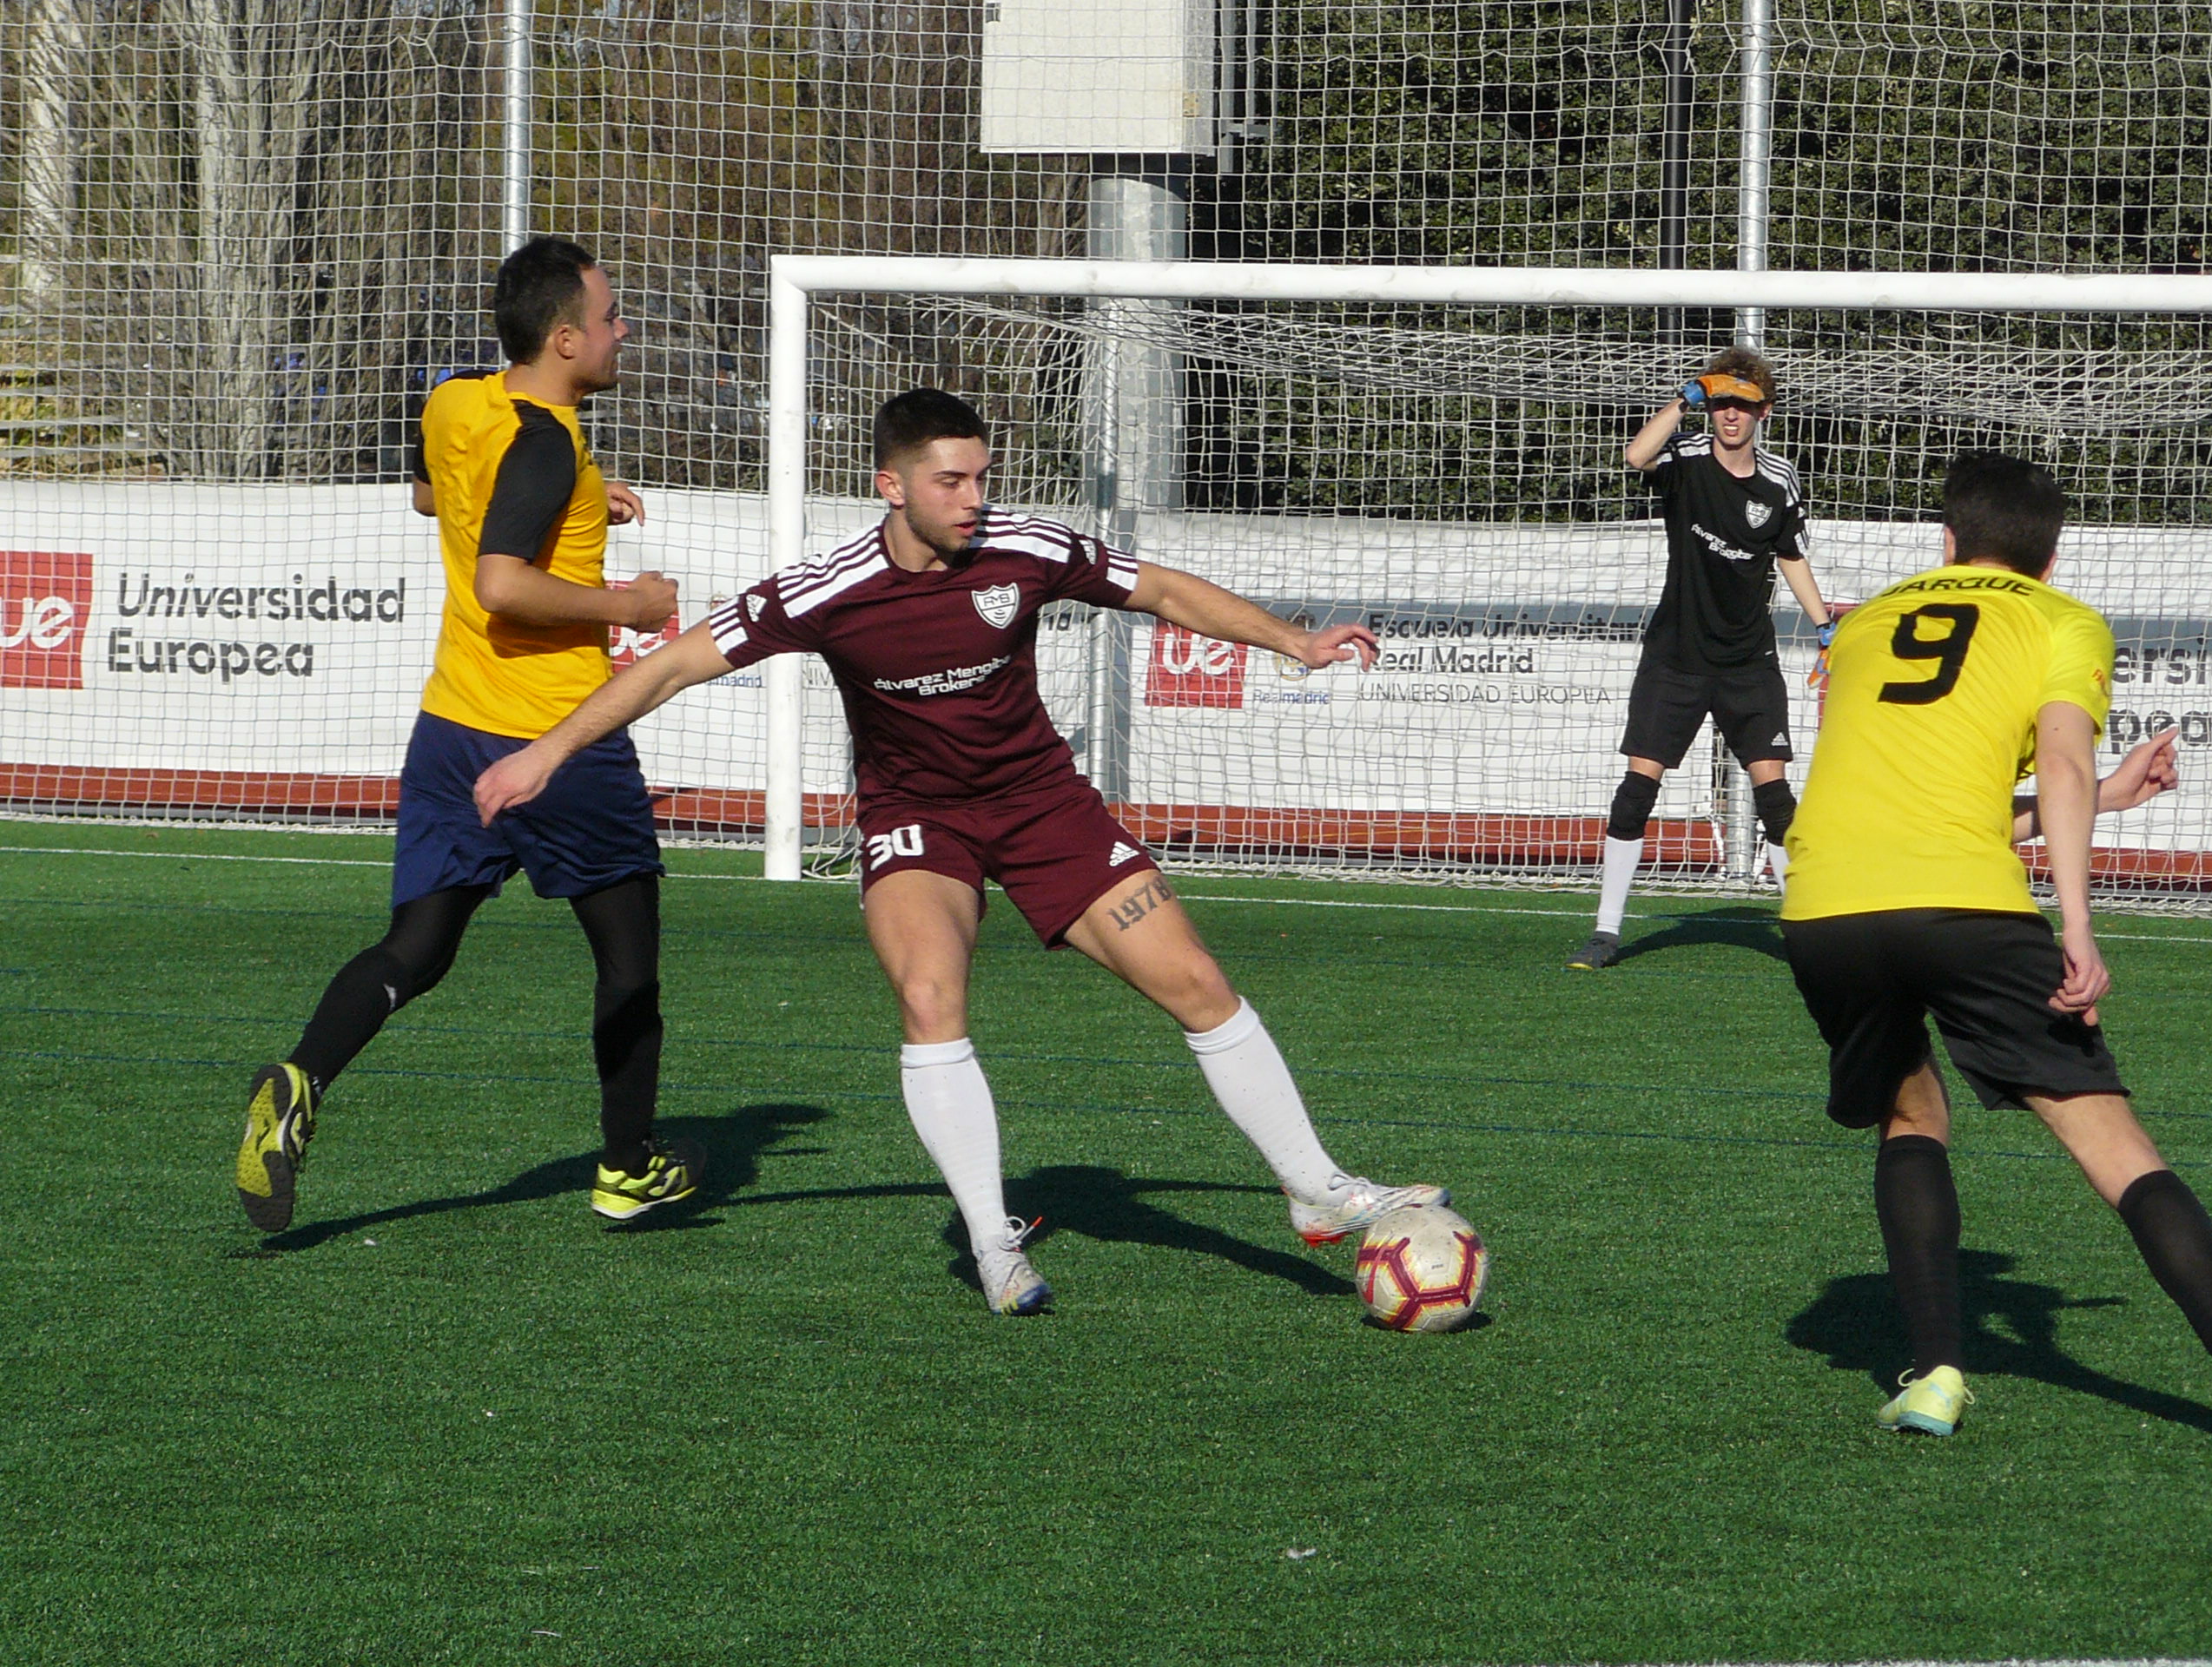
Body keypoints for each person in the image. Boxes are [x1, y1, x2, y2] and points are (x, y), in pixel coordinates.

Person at [475, 388, 1447, 1314]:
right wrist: (546, 753)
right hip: (918, 819)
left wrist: (1292, 642)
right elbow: (673, 667)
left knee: (1196, 981)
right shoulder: (825, 589)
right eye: (950, 481)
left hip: (1042, 805)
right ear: (891, 486)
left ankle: (1315, 1187)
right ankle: (992, 1241)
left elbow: (1157, 589)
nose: (974, 498)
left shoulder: (1027, 549)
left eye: (981, 476)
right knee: (930, 998)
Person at [233, 236, 703, 1232]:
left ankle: (302, 1077)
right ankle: (627, 1168)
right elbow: (501, 582)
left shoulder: (454, 401)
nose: (623, 332)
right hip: (557, 740)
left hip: (452, 728)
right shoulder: (548, 445)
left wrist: (585, 496)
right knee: (627, 965)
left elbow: (430, 494)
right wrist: (628, 602)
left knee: (418, 947)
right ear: (565, 339)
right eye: (610, 318)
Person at [1780, 450, 2212, 1434]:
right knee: (2113, 1149)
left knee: (1911, 1113)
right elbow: (2060, 765)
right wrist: (2078, 925)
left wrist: (2108, 797)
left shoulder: (1864, 624)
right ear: (2051, 559)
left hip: (1824, 907)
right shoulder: (2060, 619)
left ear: (1946, 542)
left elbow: (1922, 800)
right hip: (1965, 908)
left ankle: (1934, 1372)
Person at [1569, 347, 1836, 971]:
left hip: (1748, 663)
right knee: (1636, 792)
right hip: (1676, 658)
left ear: (1764, 413)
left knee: (1776, 799)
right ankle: (1606, 932)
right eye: (1720, 403)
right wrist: (1686, 396)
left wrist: (1825, 626)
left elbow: (1790, 555)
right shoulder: (1686, 458)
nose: (1730, 415)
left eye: (1742, 405)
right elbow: (1636, 456)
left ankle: (1809, 936)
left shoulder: (1779, 480)